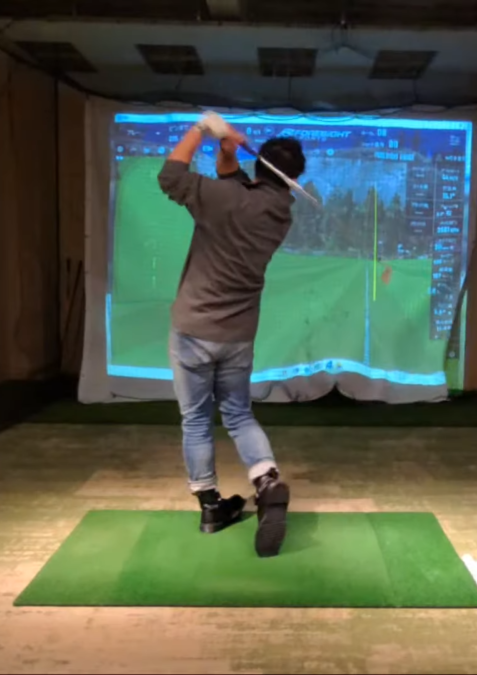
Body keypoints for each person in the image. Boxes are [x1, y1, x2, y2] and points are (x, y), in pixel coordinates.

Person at [156, 112, 306, 558]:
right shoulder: (279, 212)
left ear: (259, 166)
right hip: (237, 334)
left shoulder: (225, 198)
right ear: (292, 178)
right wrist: (227, 151)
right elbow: (236, 187)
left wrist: (201, 129)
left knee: (196, 420)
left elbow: (170, 177)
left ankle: (210, 508)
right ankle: (266, 479)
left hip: (192, 329)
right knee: (238, 415)